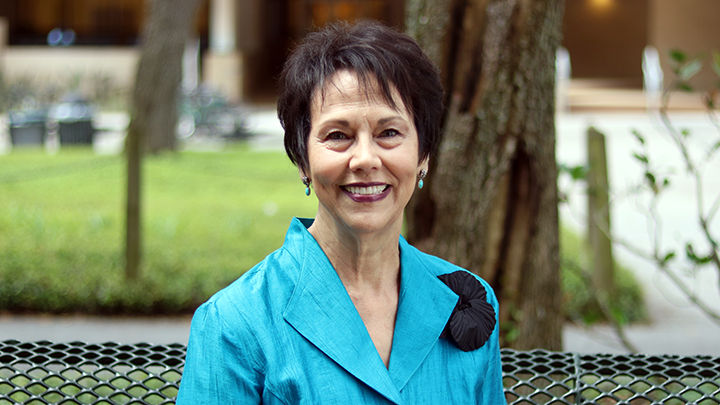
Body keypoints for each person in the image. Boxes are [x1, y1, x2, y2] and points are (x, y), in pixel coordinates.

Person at [177, 20, 504, 404]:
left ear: (423, 155)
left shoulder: (466, 298)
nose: (365, 159)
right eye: (338, 136)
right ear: (302, 160)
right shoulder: (235, 323)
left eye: (389, 133)